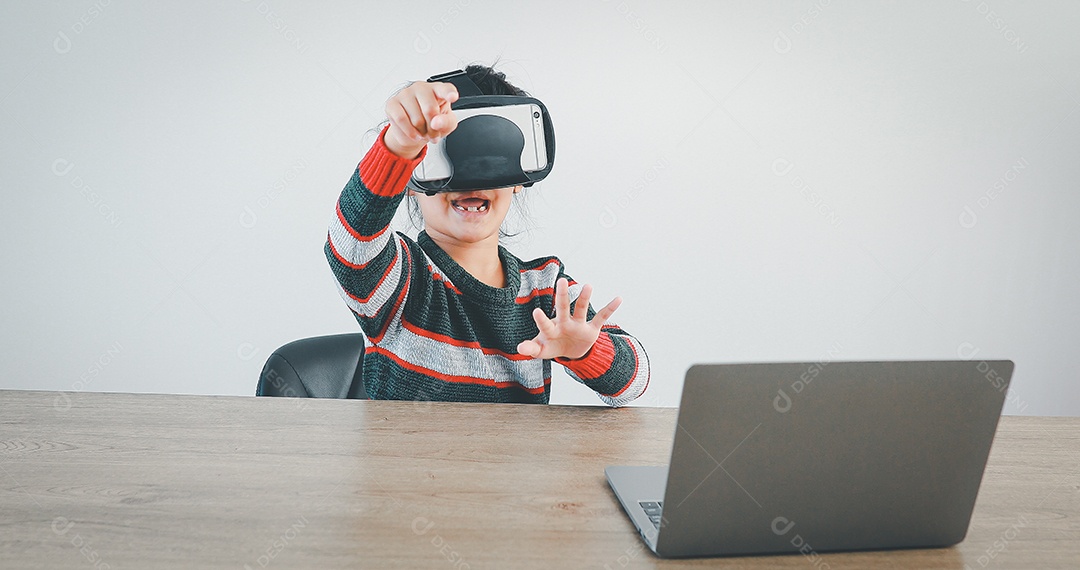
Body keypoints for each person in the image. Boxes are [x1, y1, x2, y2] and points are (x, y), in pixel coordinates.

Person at [324, 64, 649, 406]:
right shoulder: (403, 280)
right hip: (414, 460)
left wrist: (585, 351)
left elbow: (635, 383)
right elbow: (351, 246)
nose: (473, 177)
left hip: (512, 460)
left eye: (492, 151)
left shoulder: (544, 289)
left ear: (519, 177)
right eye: (448, 152)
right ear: (410, 184)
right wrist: (399, 146)